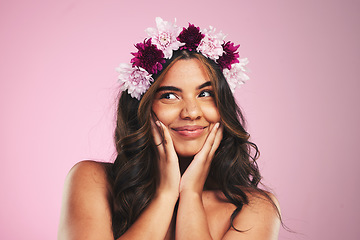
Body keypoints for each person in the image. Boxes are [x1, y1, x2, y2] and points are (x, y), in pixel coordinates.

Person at [58, 17, 281, 240]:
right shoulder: (94, 181)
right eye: (170, 96)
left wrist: (191, 195)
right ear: (143, 107)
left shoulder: (254, 209)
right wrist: (166, 196)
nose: (191, 112)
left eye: (205, 94)